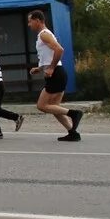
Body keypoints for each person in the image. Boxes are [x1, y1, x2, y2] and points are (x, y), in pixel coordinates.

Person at [27, 10, 83, 142]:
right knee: (55, 108)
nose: (29, 24)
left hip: (56, 73)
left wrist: (51, 67)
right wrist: (40, 68)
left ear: (38, 20)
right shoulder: (44, 35)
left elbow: (59, 49)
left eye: (30, 21)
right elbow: (49, 55)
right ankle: (73, 132)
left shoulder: (44, 34)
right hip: (58, 73)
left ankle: (74, 114)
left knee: (41, 105)